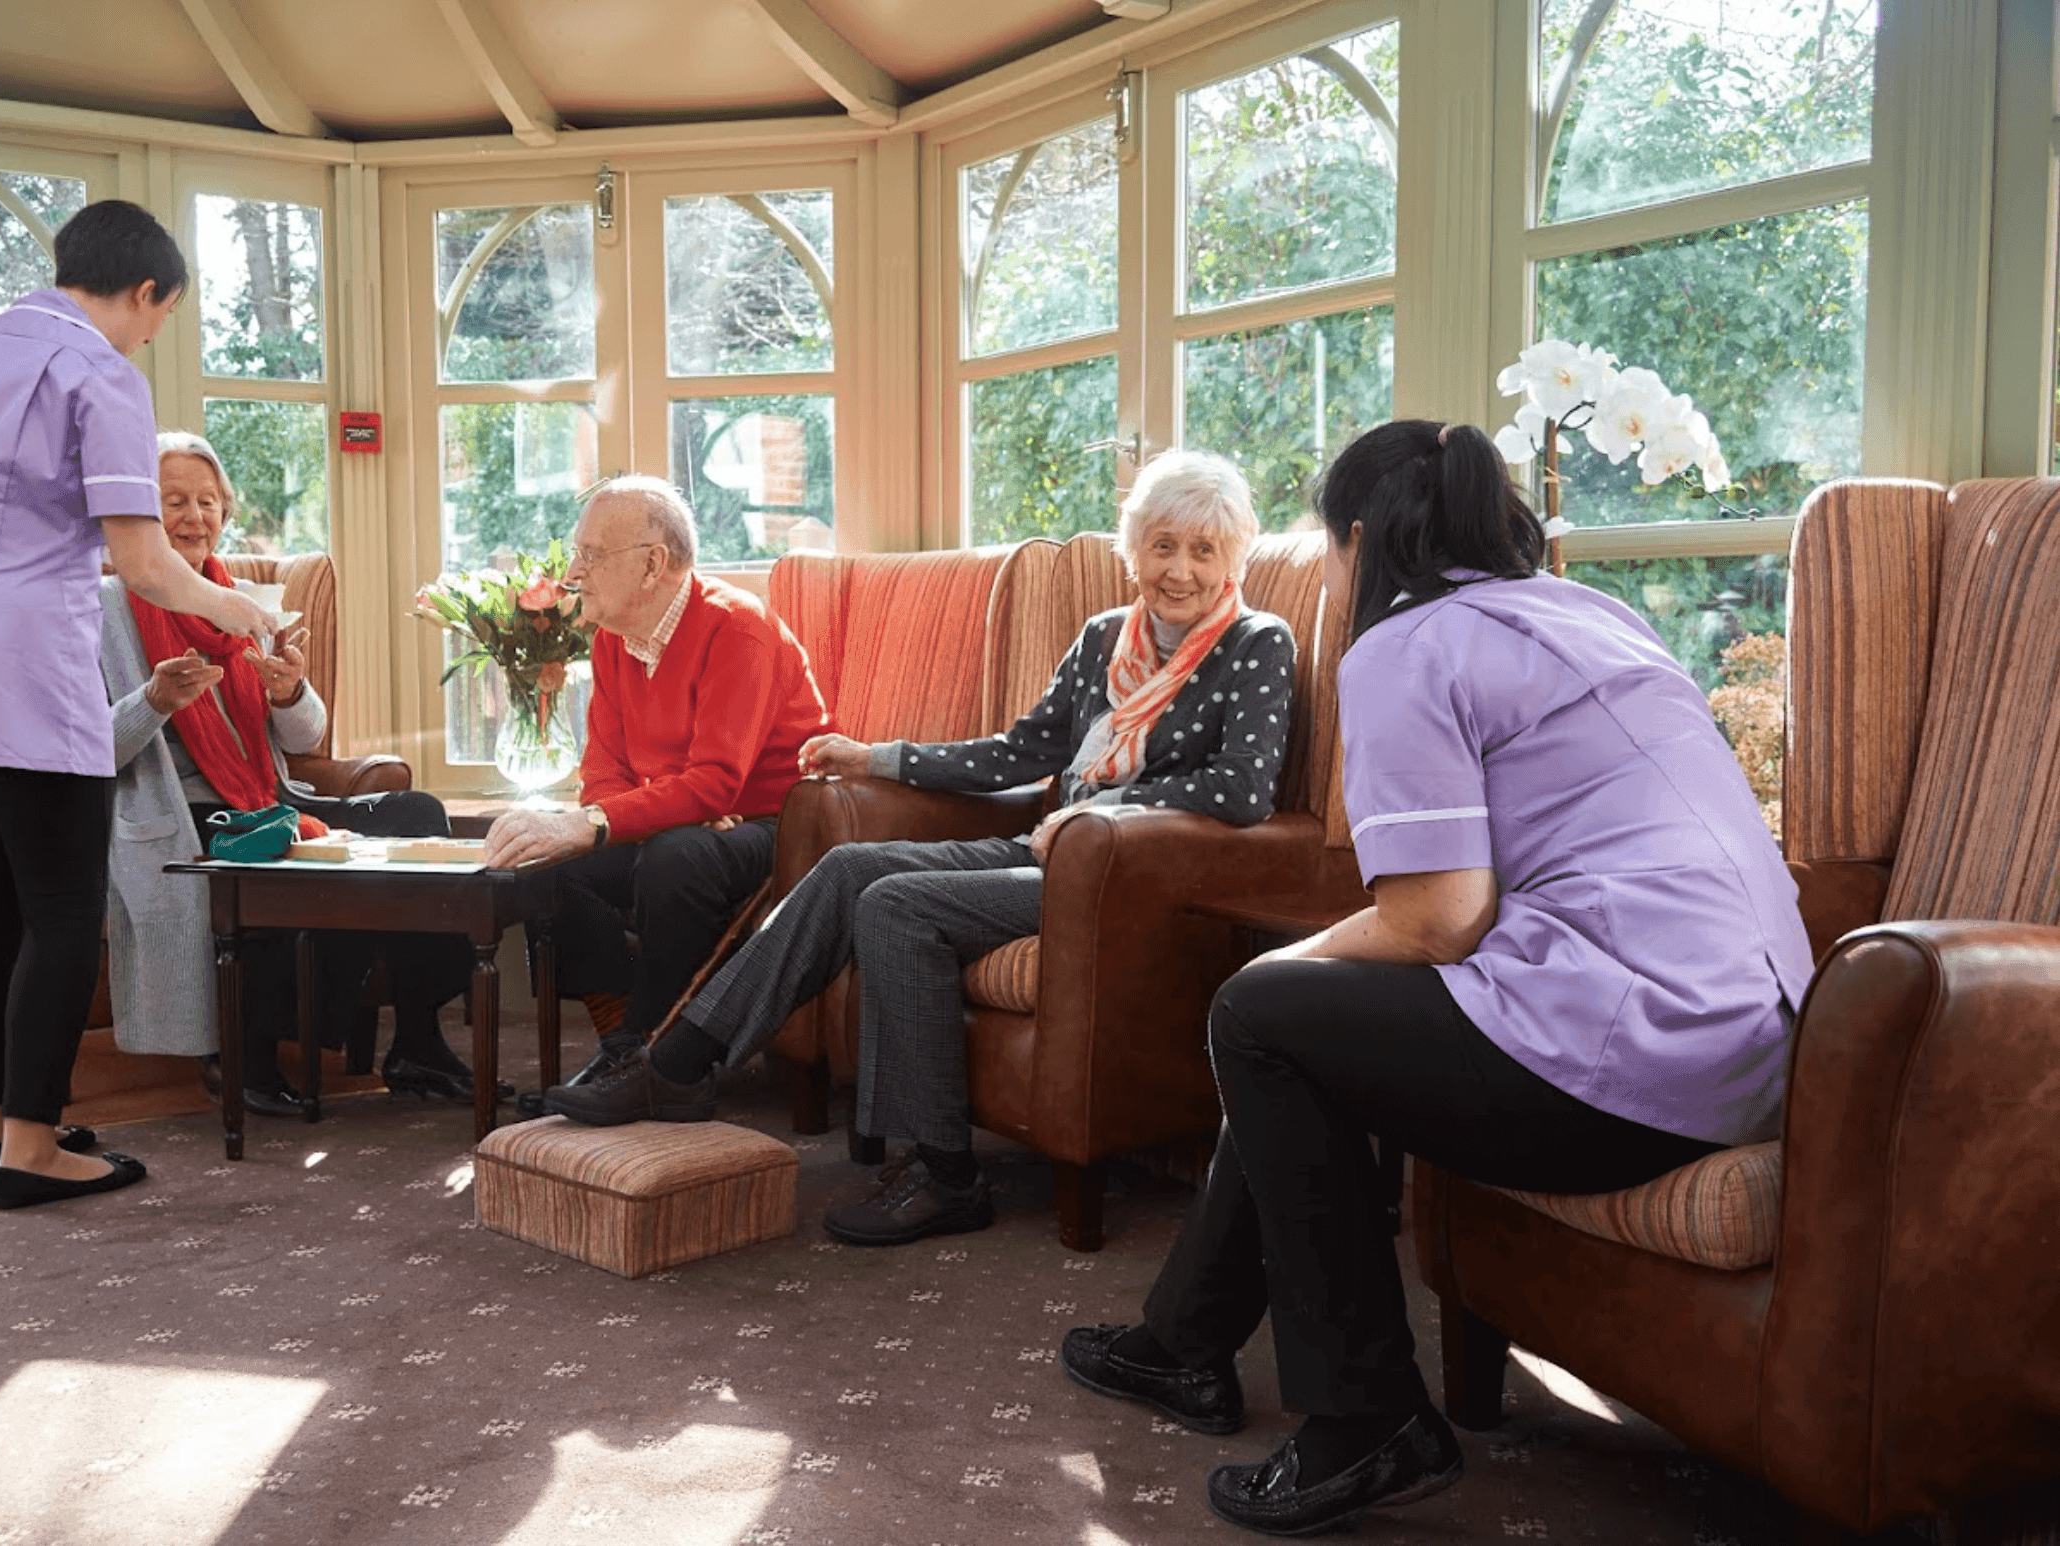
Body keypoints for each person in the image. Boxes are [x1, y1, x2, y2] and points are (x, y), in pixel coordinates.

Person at [1059, 420, 1815, 1537]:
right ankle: (1182, 1342)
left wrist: (1284, 961)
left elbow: (1437, 918)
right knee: (1306, 1028)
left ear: (1357, 541)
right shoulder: (1594, 613)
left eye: (1323, 547)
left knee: (1260, 1011)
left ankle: (1363, 1419)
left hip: (1632, 1064)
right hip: (1763, 1047)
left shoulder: (1405, 645)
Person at [548, 451, 1296, 1248]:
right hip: (1044, 852)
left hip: (1126, 876)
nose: (1178, 569)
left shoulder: (1256, 643)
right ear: (1134, 549)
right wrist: (874, 757)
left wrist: (1109, 809)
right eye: (1162, 546)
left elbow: (1243, 790)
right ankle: (685, 1056)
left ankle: (940, 1173)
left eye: (1203, 550)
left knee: (897, 903)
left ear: (1233, 559)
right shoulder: (1105, 638)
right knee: (848, 868)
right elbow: (1019, 753)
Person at [0, 200, 276, 1210]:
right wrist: (241, 609)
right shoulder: (99, 374)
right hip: (19, 664)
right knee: (65, 908)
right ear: (144, 292)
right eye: (155, 319)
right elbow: (145, 562)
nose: (147, 336)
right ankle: (36, 1151)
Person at [98, 432, 482, 1115]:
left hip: (269, 798)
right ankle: (247, 1058)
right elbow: (92, 751)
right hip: (185, 813)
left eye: (207, 501)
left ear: (226, 511)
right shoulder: (103, 610)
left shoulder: (244, 603)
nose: (193, 516)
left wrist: (289, 692)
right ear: (141, 519)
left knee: (417, 812)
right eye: (173, 501)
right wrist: (155, 700)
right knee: (276, 853)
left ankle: (417, 1044)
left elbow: (305, 739)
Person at [482, 476, 830, 1091]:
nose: (573, 571)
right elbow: (603, 773)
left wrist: (620, 819)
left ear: (652, 565)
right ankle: (623, 1045)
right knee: (547, 864)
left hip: (785, 825)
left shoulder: (736, 629)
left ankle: (663, 1064)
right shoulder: (615, 641)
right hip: (698, 820)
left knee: (676, 856)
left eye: (590, 554)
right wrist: (641, 814)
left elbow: (719, 782)